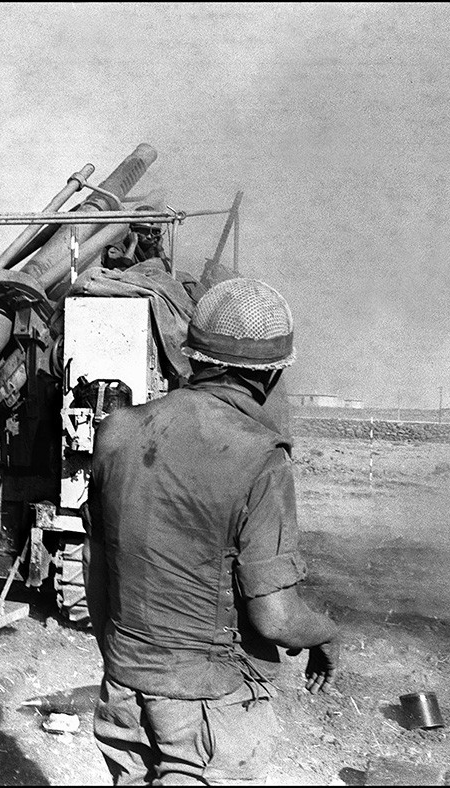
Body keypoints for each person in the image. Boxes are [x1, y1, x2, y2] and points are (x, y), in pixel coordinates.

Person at [84, 278, 340, 785]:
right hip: (207, 704)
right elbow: (275, 618)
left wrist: (123, 658)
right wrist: (328, 633)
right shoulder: (261, 456)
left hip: (124, 689)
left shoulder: (115, 432)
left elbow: (96, 566)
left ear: (193, 358)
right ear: (269, 378)